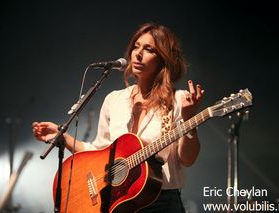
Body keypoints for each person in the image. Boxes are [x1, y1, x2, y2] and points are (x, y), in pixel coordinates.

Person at [32, 23, 204, 213]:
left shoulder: (178, 100)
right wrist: (63, 137)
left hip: (161, 203)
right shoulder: (115, 99)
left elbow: (187, 159)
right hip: (118, 203)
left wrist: (189, 121)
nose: (138, 54)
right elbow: (99, 151)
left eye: (149, 49)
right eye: (136, 47)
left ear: (163, 60)